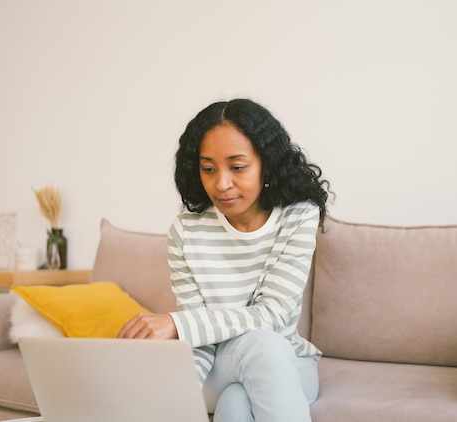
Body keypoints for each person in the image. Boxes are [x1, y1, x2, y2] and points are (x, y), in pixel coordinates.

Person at [117, 98, 332, 421]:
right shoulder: (186, 231)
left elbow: (272, 316)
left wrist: (177, 324)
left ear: (267, 163)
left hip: (286, 363)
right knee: (241, 374)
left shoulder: (298, 216)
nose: (221, 183)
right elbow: (199, 341)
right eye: (208, 168)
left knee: (241, 391)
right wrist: (174, 399)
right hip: (219, 364)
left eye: (238, 167)